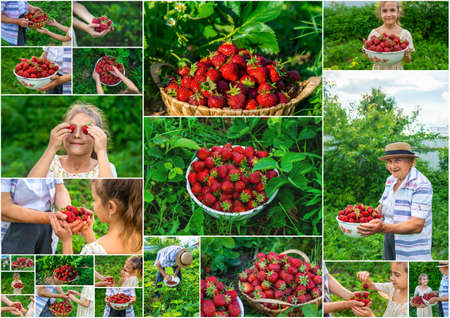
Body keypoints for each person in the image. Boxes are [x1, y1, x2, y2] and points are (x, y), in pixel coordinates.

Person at [357, 142, 433, 260]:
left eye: (397, 160)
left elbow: (417, 225)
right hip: (389, 239)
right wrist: (362, 218)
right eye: (389, 161)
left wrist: (383, 228)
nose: (392, 166)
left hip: (411, 248)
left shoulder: (420, 184)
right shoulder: (391, 180)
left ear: (410, 162)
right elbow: (382, 207)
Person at [50, 179, 142, 254]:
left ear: (111, 207)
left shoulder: (89, 250)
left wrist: (66, 241)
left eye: (94, 199)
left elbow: (72, 268)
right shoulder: (142, 238)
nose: (92, 204)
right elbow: (99, 252)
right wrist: (88, 233)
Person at [28, 104, 117, 178]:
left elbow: (108, 190)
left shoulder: (105, 167)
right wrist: (51, 147)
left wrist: (101, 150)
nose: (77, 135)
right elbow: (31, 184)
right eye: (72, 128)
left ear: (97, 137)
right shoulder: (50, 162)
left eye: (85, 130)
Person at [1, 179, 75, 254]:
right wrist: (52, 218)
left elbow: (60, 189)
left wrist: (67, 214)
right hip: (15, 227)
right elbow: (4, 208)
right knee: (17, 263)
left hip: (47, 224)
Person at [363, 1, 414, 70]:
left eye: (392, 10)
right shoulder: (374, 33)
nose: (389, 14)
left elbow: (407, 61)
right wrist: (367, 53)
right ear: (380, 13)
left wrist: (406, 55)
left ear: (398, 12)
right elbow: (371, 57)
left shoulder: (405, 34)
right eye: (384, 11)